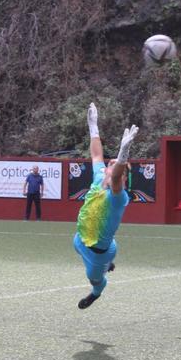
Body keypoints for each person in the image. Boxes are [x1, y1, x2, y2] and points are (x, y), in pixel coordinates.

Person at [73, 103, 138, 309]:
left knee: (94, 279)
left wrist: (123, 152)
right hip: (80, 240)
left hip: (99, 252)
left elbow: (117, 176)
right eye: (112, 164)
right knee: (75, 243)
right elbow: (96, 156)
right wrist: (93, 127)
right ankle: (105, 267)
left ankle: (96, 293)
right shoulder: (99, 176)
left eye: (117, 168)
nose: (111, 166)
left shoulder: (118, 198)